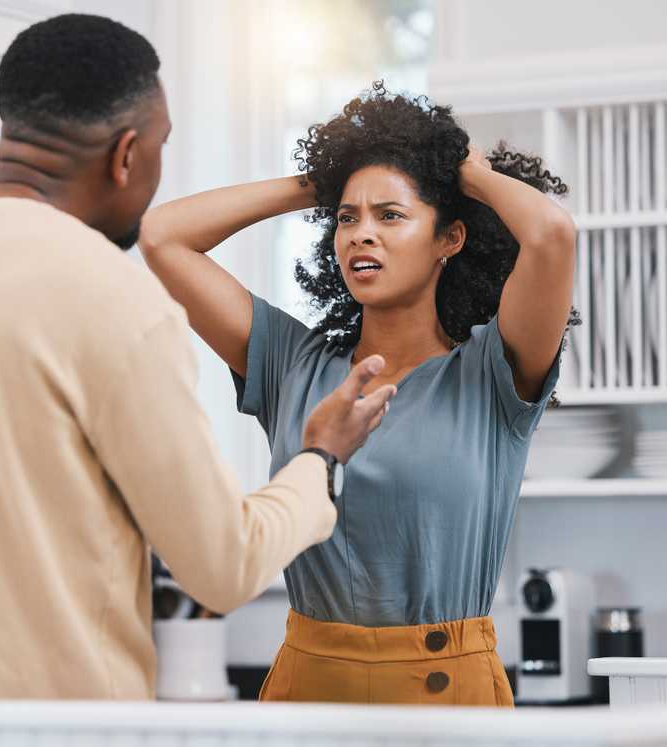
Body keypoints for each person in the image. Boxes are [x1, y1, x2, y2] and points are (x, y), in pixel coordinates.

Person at [0, 15, 395, 746]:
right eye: (161, 149)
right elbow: (223, 563)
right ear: (127, 155)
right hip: (47, 732)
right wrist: (321, 459)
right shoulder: (108, 295)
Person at [139, 82, 577, 706]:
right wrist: (324, 179)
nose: (359, 234)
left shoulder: (491, 373)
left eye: (390, 216)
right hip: (308, 689)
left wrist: (468, 174)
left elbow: (552, 234)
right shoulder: (293, 364)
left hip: (448, 696)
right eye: (348, 218)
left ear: (450, 239)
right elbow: (162, 236)